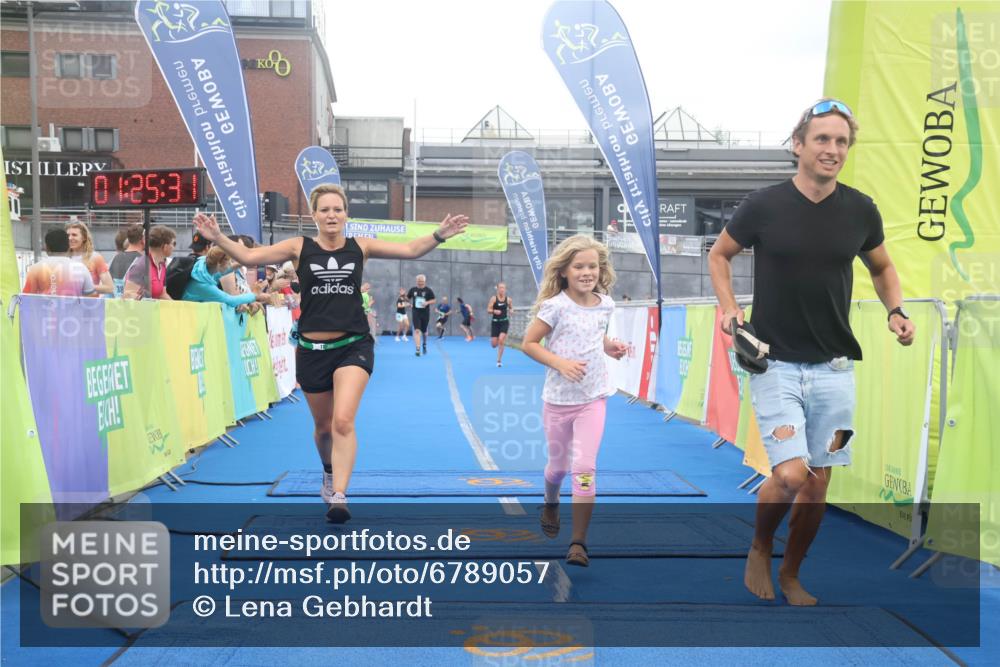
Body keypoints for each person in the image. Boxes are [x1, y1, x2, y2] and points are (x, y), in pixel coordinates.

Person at [708, 98, 916, 606]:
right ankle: (760, 546)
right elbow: (719, 255)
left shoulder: (860, 209)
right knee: (791, 473)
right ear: (798, 145)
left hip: (835, 369)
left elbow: (883, 268)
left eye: (842, 141)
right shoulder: (763, 205)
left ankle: (792, 574)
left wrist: (896, 311)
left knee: (819, 484)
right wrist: (729, 308)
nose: (833, 149)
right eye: (822, 139)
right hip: (774, 364)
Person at [194, 184, 468, 522]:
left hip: (353, 345)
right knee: (323, 427)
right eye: (325, 210)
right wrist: (218, 237)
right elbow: (251, 257)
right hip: (311, 350)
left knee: (342, 420)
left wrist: (440, 234)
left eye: (337, 209)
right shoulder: (299, 247)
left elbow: (411, 249)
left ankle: (339, 494)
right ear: (314, 216)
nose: (332, 215)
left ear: (346, 214)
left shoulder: (361, 246)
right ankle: (328, 470)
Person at [520, 235, 628, 567]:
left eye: (592, 266)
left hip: (593, 398)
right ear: (564, 270)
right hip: (557, 401)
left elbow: (596, 337)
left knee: (584, 468)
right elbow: (529, 343)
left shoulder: (605, 303)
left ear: (601, 269)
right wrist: (560, 363)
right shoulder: (556, 305)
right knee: (557, 469)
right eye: (579, 266)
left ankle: (578, 542)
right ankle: (550, 502)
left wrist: (611, 347)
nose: (587, 272)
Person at [182, 246, 270, 309]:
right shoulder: (204, 286)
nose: (230, 264)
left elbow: (219, 273)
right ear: (219, 263)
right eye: (229, 261)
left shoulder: (202, 267)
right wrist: (254, 294)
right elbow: (231, 300)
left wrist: (242, 263)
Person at [22, 228, 96, 297]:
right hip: (73, 310)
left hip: (44, 310)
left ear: (47, 248)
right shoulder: (81, 268)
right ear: (68, 247)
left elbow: (27, 298)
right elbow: (91, 297)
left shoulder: (35, 269)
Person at [123, 225, 176, 300]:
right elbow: (127, 295)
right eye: (174, 243)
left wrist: (177, 308)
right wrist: (145, 300)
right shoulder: (142, 265)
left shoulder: (162, 264)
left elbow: (162, 294)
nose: (174, 247)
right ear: (165, 246)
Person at [66, 221, 113, 295]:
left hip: (89, 304)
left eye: (74, 235)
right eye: (67, 235)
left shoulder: (95, 257)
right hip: (67, 303)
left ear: (84, 237)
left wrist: (86, 287)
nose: (70, 238)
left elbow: (109, 288)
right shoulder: (64, 258)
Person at [109, 223, 145, 297]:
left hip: (113, 305)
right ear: (143, 240)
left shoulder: (115, 258)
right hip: (131, 305)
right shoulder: (142, 261)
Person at [407, 274, 436, 356]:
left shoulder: (428, 290)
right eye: (419, 281)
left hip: (425, 313)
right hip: (416, 312)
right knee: (417, 330)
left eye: (422, 281)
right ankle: (418, 349)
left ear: (424, 281)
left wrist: (427, 302)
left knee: (424, 332)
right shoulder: (413, 290)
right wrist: (404, 297)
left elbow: (434, 300)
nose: (420, 283)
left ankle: (424, 344)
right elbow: (407, 298)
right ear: (416, 281)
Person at [487, 282, 513, 367]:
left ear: (505, 289)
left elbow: (511, 307)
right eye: (500, 288)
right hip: (495, 322)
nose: (502, 289)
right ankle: (497, 339)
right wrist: (494, 311)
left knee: (501, 340)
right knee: (494, 345)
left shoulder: (508, 299)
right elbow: (488, 310)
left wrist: (511, 310)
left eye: (503, 288)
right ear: (497, 289)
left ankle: (499, 360)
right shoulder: (493, 299)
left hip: (504, 322)